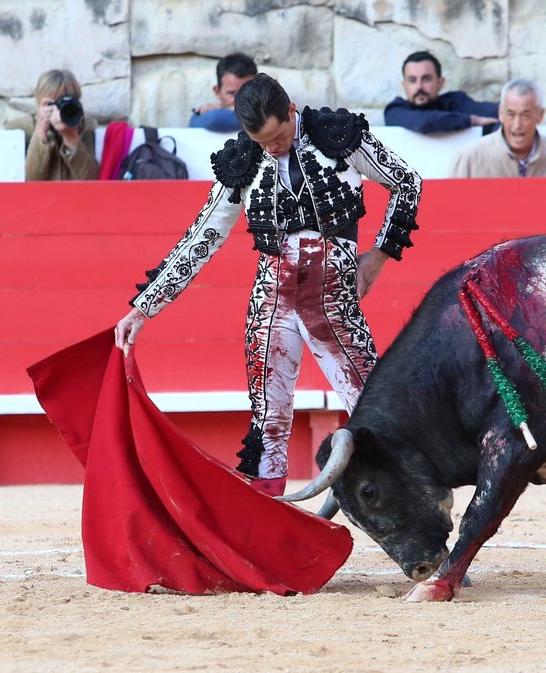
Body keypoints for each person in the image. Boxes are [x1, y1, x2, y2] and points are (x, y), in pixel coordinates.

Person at [114, 74, 422, 496]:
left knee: (374, 409)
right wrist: (144, 307)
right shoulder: (243, 160)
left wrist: (380, 254)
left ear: (291, 111)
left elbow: (407, 181)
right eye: (261, 141)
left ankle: (415, 512)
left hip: (333, 301)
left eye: (277, 136)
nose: (272, 148)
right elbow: (203, 237)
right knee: (267, 420)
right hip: (271, 301)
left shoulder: (339, 136)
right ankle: (267, 525)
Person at [449, 79, 546, 178]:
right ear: (501, 114)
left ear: (540, 115)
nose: (517, 125)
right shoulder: (471, 157)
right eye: (511, 115)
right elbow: (449, 205)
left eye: (525, 115)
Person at [383, 51, 499, 134]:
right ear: (405, 85)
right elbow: (424, 122)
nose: (419, 87)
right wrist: (472, 121)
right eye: (412, 80)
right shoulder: (395, 110)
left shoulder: (455, 102)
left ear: (440, 83)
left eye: (426, 79)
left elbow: (496, 112)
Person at [24, 69, 98, 181]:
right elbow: (31, 180)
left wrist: (71, 137)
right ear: (41, 104)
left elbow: (91, 181)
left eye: (66, 104)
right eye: (53, 104)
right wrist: (41, 133)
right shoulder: (24, 129)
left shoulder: (86, 128)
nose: (60, 110)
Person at [188, 52, 258, 133]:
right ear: (217, 91)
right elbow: (214, 120)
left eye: (247, 92)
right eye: (233, 94)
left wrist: (223, 107)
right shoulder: (206, 116)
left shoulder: (268, 113)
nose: (240, 99)